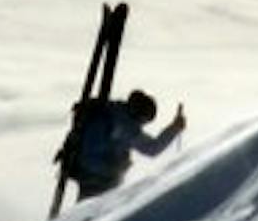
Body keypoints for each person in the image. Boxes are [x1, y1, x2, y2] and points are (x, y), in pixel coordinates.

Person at [57, 87, 187, 202]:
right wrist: (175, 128)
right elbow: (152, 148)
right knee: (93, 217)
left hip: (85, 171)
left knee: (85, 213)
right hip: (99, 178)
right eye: (144, 120)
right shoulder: (125, 125)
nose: (141, 126)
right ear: (139, 114)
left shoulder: (113, 111)